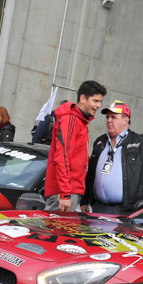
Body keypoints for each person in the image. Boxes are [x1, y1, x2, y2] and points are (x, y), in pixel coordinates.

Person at [44, 80, 105, 211]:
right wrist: (65, 194)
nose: (98, 105)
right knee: (56, 225)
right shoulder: (70, 119)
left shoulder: (78, 120)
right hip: (65, 193)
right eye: (95, 101)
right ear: (83, 98)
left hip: (69, 191)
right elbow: (62, 157)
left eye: (100, 102)